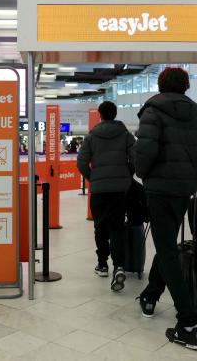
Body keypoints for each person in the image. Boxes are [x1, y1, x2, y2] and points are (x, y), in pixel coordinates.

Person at [134, 68, 197, 351]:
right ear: (186, 86)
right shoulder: (196, 119)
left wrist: (144, 175)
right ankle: (150, 296)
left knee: (167, 249)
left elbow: (143, 153)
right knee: (166, 244)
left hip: (159, 190)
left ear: (160, 85)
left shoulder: (152, 113)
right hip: (183, 191)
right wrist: (195, 178)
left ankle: (188, 324)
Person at [77, 101, 135, 292]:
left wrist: (91, 177)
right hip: (120, 190)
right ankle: (119, 266)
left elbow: (82, 162)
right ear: (115, 113)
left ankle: (102, 264)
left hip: (99, 190)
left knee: (100, 227)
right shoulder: (126, 135)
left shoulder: (92, 137)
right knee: (118, 227)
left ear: (100, 115)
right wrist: (127, 175)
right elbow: (135, 159)